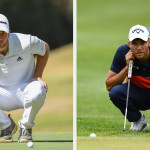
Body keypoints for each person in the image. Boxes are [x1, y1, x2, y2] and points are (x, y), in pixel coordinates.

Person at [0, 14, 49, 142]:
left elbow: (44, 48)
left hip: (25, 88)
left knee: (38, 89)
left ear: (9, 33)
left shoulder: (26, 41)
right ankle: (6, 125)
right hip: (2, 93)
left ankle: (25, 128)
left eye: (2, 33)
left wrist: (38, 75)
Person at [105, 24, 150, 131]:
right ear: (129, 43)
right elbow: (109, 86)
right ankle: (139, 121)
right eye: (135, 43)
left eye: (142, 43)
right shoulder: (123, 52)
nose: (139, 48)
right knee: (115, 92)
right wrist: (127, 67)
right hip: (136, 93)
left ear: (149, 42)